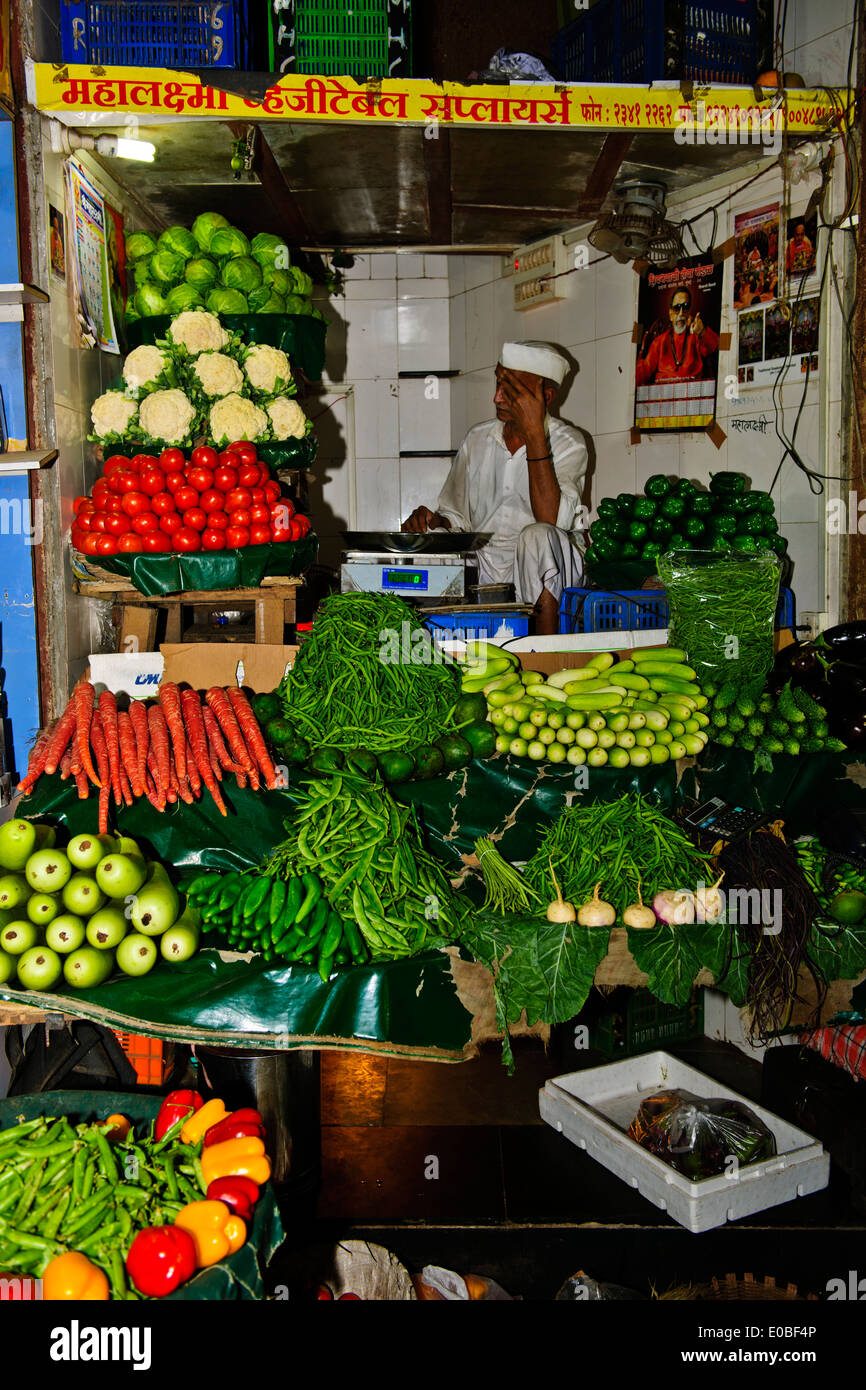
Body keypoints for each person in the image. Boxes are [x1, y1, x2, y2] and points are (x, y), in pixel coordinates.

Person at [401, 340, 588, 635]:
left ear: (546, 397)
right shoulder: (477, 439)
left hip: (547, 569)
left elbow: (552, 522)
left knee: (537, 536)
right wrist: (434, 521)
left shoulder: (569, 444)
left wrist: (535, 434)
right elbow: (457, 520)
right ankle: (436, 643)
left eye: (511, 391)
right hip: (486, 566)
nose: (497, 397)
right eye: (498, 383)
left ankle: (548, 654)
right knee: (431, 542)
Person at [635, 288, 720, 385]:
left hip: (691, 394)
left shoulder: (696, 337)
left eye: (685, 307)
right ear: (671, 314)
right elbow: (642, 373)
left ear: (689, 311)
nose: (681, 313)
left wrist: (702, 331)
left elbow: (722, 349)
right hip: (664, 396)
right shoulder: (659, 342)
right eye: (676, 308)